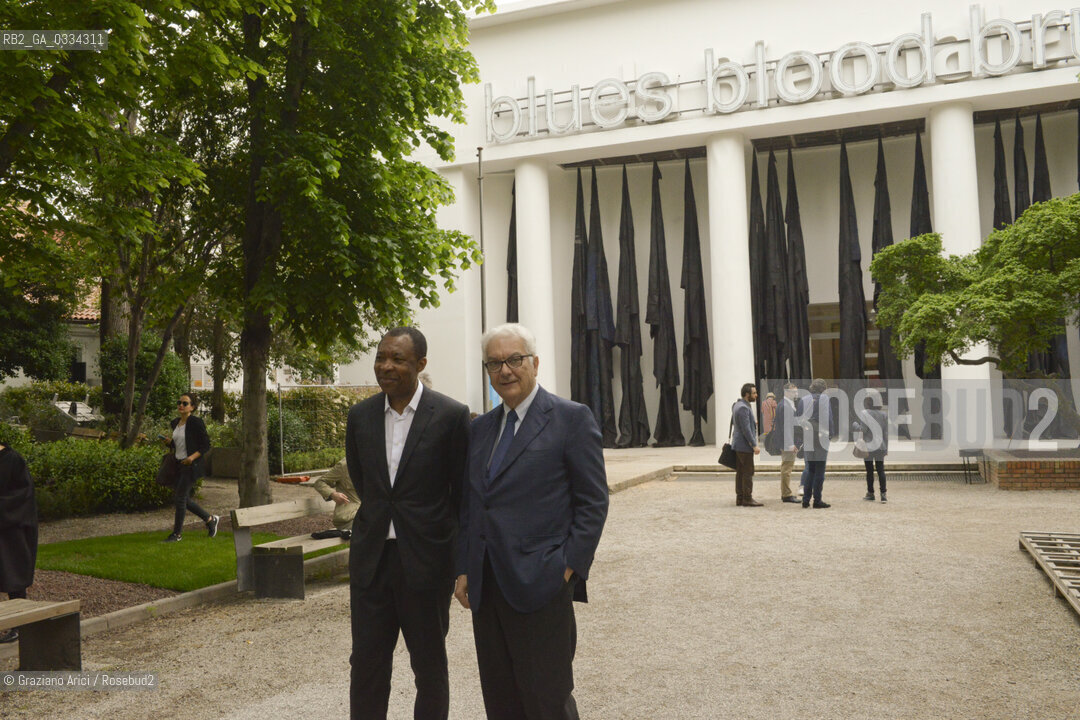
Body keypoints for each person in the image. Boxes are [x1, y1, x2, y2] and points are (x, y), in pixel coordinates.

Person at [455, 323, 609, 720]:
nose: (505, 370)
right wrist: (464, 568)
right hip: (487, 588)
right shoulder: (480, 429)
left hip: (542, 582)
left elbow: (592, 501)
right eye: (494, 363)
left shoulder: (570, 418)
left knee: (547, 698)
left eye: (514, 360)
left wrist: (568, 567)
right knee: (501, 700)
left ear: (535, 363)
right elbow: (472, 504)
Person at [345, 327, 470, 720]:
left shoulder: (451, 416)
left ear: (420, 364)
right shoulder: (360, 416)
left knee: (430, 669)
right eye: (381, 357)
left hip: (427, 564)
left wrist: (460, 564)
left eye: (397, 359)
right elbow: (365, 483)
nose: (386, 366)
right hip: (372, 562)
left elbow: (461, 495)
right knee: (366, 666)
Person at [163, 393, 218, 542]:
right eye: (179, 402)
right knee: (183, 498)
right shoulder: (175, 423)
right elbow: (181, 444)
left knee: (180, 498)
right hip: (178, 464)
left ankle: (177, 534)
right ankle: (209, 519)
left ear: (192, 407)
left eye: (185, 403)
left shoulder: (195, 422)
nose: (181, 405)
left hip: (191, 465)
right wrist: (170, 443)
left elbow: (205, 445)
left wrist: (191, 458)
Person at [0, 441, 37, 643]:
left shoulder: (13, 460)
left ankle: (19, 625)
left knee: (13, 575)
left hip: (11, 529)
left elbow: (23, 494)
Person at [799, 379, 831, 509]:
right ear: (823, 388)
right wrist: (831, 434)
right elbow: (828, 418)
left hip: (807, 436)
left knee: (810, 469)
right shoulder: (824, 399)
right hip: (820, 437)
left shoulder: (803, 399)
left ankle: (805, 500)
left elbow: (798, 418)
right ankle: (817, 500)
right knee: (820, 471)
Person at [768, 382, 801, 504]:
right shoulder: (786, 405)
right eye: (794, 391)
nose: (796, 394)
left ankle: (785, 493)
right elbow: (787, 427)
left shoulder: (786, 404)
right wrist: (791, 444)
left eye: (797, 391)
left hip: (786, 441)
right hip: (787, 442)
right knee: (787, 468)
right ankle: (786, 494)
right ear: (787, 392)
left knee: (786, 467)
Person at [310, 457, 359, 539]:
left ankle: (343, 533)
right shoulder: (344, 466)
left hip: (366, 515)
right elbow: (320, 482)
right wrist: (332, 494)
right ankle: (343, 532)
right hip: (348, 518)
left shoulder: (374, 465)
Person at [854, 391, 889, 503]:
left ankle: (871, 493)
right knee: (881, 470)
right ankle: (883, 494)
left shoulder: (865, 413)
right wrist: (886, 448)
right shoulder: (884, 414)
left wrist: (855, 425)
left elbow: (863, 430)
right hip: (880, 446)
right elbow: (885, 434)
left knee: (869, 471)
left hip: (868, 446)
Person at [732, 382, 762, 507]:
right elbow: (746, 429)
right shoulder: (744, 407)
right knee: (748, 472)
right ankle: (747, 498)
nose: (756, 395)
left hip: (738, 445)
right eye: (754, 393)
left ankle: (740, 498)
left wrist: (752, 421)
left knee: (740, 472)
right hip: (744, 446)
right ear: (746, 394)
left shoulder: (737, 405)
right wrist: (754, 445)